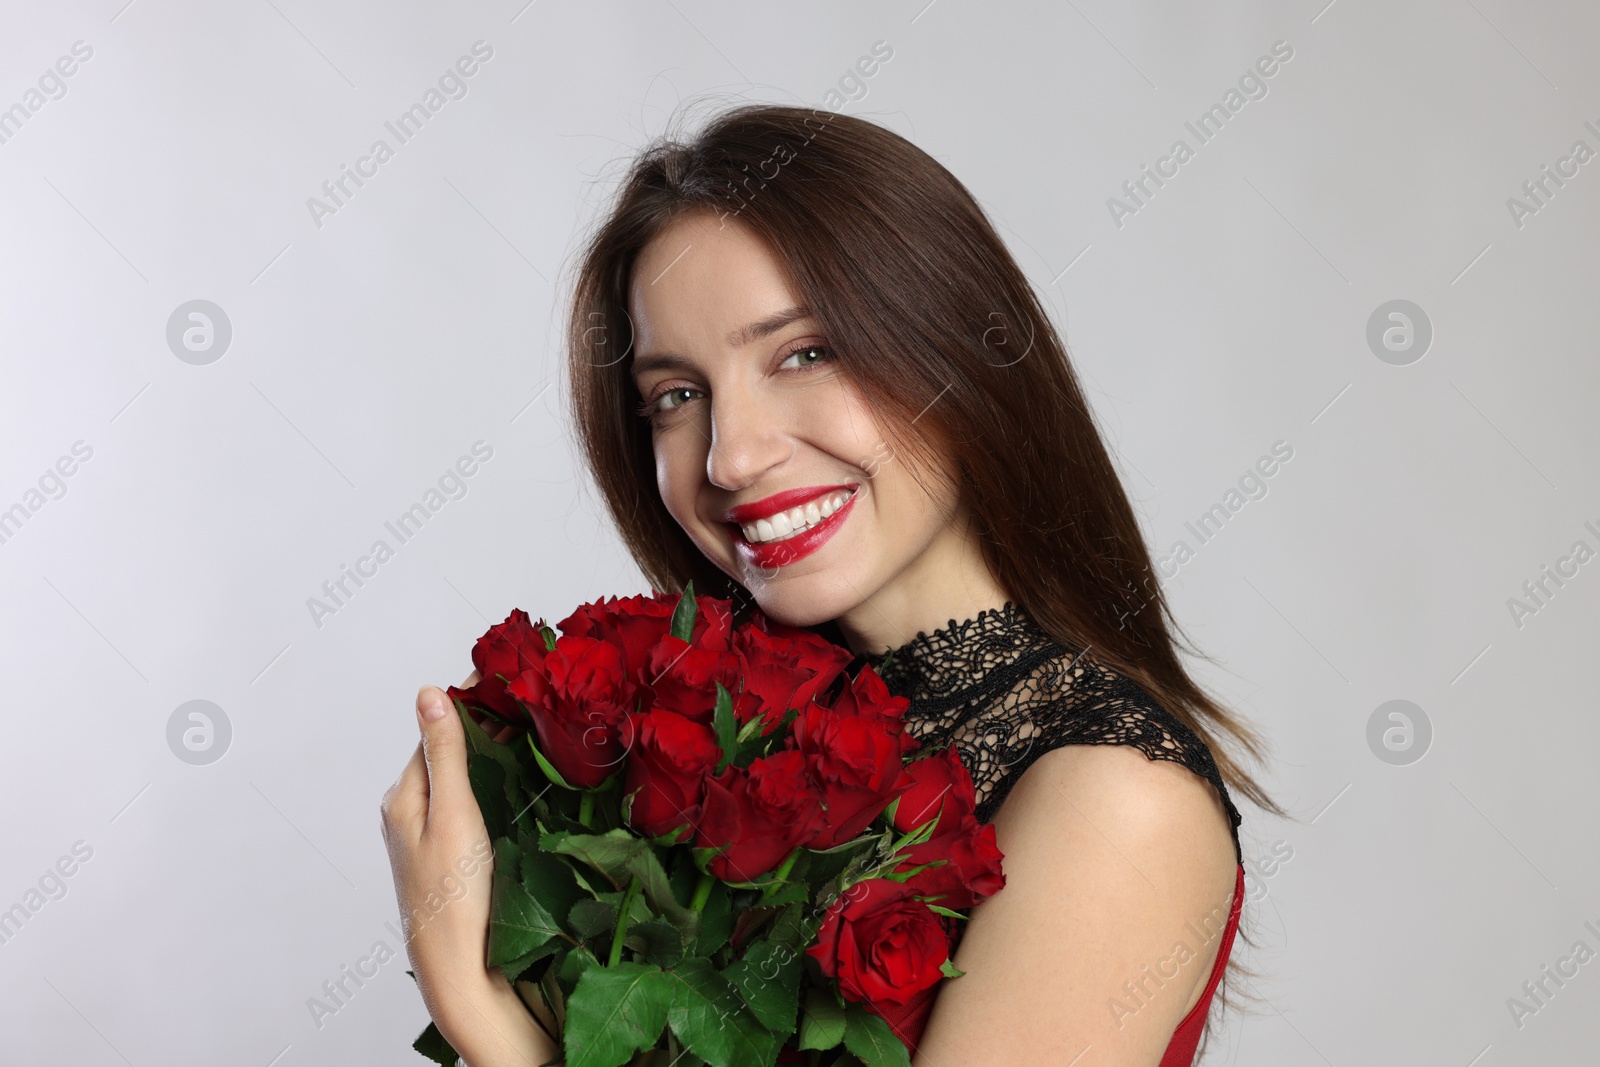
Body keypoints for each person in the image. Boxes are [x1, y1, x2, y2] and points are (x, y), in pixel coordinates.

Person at [381, 101, 1283, 1066]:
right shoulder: (725, 747)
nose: (730, 456)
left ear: (956, 347)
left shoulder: (1116, 795)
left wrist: (483, 1013)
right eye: (676, 397)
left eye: (804, 353)